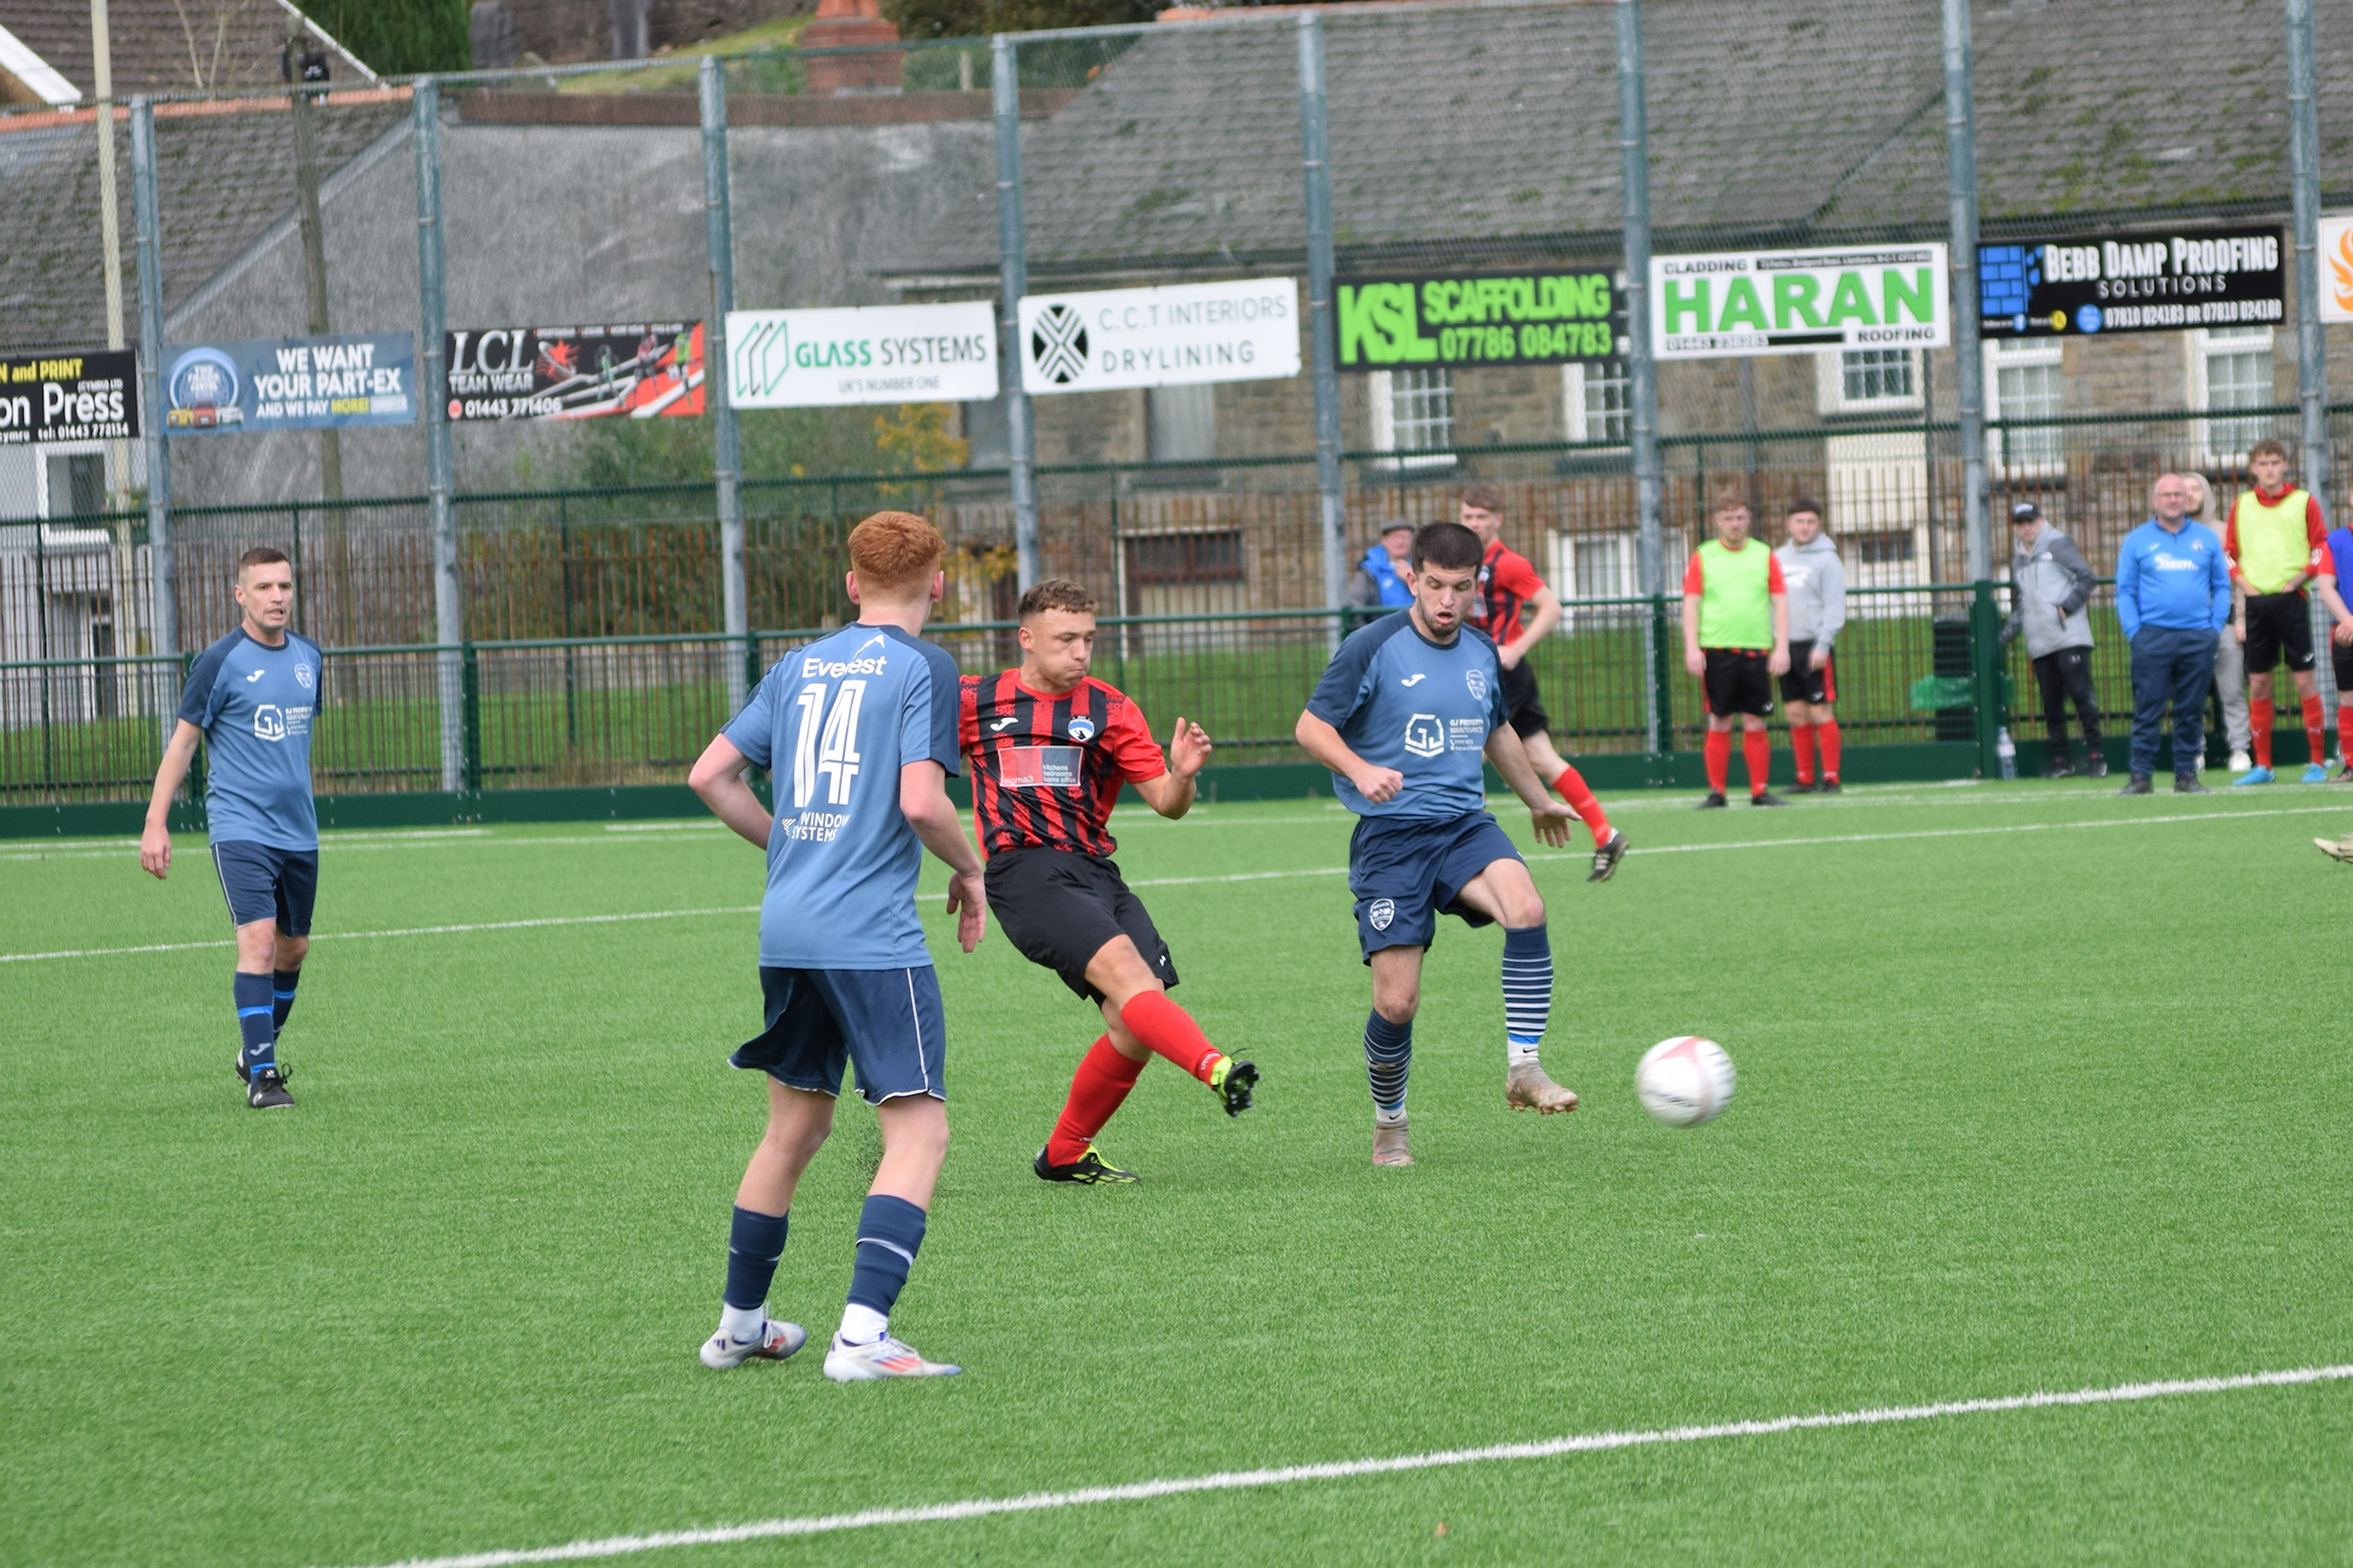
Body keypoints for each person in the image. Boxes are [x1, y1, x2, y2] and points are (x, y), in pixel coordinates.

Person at [684, 510, 988, 1382]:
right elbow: (923, 803)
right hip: (869, 935)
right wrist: (971, 872)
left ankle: (741, 1326)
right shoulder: (925, 665)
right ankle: (862, 1337)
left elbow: (710, 774)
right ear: (938, 585)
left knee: (795, 1126)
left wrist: (789, 842)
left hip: (787, 927)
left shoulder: (798, 664)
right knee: (919, 1128)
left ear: (851, 583)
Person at [1293, 520, 1584, 1168]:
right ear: (1412, 579)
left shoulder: (1482, 652)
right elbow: (1311, 728)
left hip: (1461, 825)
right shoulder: (1372, 646)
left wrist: (1537, 801)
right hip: (1392, 840)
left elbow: (1498, 733)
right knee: (1397, 1002)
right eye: (1434, 585)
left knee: (1527, 909)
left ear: (1476, 584)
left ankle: (1524, 1068)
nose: (1447, 600)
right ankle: (1390, 1120)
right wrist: (1360, 770)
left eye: (1460, 587)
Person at [961, 578, 1256, 1188]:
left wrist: (1184, 774)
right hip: (1025, 871)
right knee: (1129, 979)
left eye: (1088, 639)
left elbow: (1167, 804)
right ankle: (1217, 1068)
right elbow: (910, 769)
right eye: (1065, 639)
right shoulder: (972, 700)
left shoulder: (1110, 709)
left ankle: (1065, 1152)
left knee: (1133, 1024)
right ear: (1026, 639)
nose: (1080, 652)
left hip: (1097, 873)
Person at [139, 547, 322, 1112]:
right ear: (240, 595)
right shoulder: (218, 662)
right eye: (264, 587)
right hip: (239, 826)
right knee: (259, 941)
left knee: (293, 949)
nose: (277, 597)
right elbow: (185, 742)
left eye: (285, 587)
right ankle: (263, 1078)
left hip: (300, 832)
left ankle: (253, 1049)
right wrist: (156, 822)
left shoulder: (310, 658)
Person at [1456, 484, 1627, 880]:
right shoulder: (1463, 560)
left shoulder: (1509, 563)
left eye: (1482, 517)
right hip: (1478, 670)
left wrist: (1515, 647)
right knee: (1542, 759)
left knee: (1465, 754)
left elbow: (1551, 607)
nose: (1474, 523)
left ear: (1498, 520)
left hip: (1502, 675)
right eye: (1468, 516)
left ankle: (1473, 851)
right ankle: (1606, 833)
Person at [2114, 475, 2230, 795]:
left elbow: (2221, 586)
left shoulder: (2206, 539)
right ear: (2155, 500)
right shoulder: (2137, 540)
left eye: (2179, 494)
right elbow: (2124, 591)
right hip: (2152, 637)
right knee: (2148, 710)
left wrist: (2214, 628)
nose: (2174, 500)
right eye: (2167, 495)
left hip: (2197, 637)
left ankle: (2186, 775)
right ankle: (2140, 776)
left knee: (2191, 711)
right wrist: (2134, 632)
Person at [2222, 438, 2329, 784]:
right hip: (2256, 603)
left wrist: (2294, 581)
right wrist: (2247, 586)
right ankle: (2263, 766)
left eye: (2275, 462)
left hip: (2291, 599)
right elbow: (2228, 554)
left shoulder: (2304, 502)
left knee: (2304, 680)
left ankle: (2317, 761)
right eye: (2263, 463)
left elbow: (2319, 548)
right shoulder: (2241, 505)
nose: (2269, 469)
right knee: (2258, 683)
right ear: (2253, 468)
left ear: (2285, 465)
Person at [1682, 491, 1792, 808]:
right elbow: (1691, 605)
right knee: (1720, 720)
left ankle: (1760, 790)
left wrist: (1780, 646)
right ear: (1717, 521)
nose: (1735, 524)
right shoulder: (1703, 556)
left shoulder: (1764, 555)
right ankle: (1717, 792)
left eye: (1740, 517)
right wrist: (1692, 647)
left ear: (1749, 519)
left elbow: (1780, 603)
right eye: (1728, 518)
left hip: (1756, 650)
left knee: (1756, 720)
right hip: (1717, 650)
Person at [2002, 500, 2105, 779]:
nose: (2026, 529)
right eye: (2020, 524)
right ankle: (2062, 760)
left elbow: (2086, 577)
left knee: (2082, 697)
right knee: (2051, 704)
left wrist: (2066, 606)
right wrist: (2008, 635)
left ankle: (2096, 755)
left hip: (2068, 636)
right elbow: (2022, 601)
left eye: (2030, 522)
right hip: (2040, 641)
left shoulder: (2058, 544)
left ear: (2040, 520)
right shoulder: (2018, 559)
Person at [1773, 495, 1847, 792]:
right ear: (1788, 524)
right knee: (1795, 712)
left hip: (1814, 646)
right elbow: (1771, 603)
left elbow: (1834, 606)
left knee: (1820, 711)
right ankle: (1804, 777)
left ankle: (1831, 777)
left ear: (1819, 524)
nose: (1805, 527)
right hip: (1785, 646)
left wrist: (1823, 645)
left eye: (1811, 521)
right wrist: (1776, 643)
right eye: (1799, 521)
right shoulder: (1777, 558)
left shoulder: (1827, 559)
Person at [2183, 473, 2251, 772]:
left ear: (2207, 493)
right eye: (2183, 490)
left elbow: (2239, 578)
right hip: (2185, 628)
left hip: (2224, 624)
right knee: (2189, 692)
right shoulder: (2170, 535)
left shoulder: (2225, 532)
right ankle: (2193, 750)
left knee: (2232, 690)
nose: (2189, 495)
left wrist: (2241, 619)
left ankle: (2240, 749)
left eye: (2196, 488)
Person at [2308, 507, 2353, 779]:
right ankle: (2350, 763)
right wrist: (2348, 621)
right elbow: (2325, 587)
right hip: (2345, 632)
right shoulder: (2335, 540)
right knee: (2348, 698)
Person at [1347, 520, 1417, 610]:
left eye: (1405, 537)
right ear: (1384, 540)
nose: (1400, 541)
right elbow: (1355, 602)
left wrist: (1413, 580)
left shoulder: (1423, 565)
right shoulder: (1369, 569)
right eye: (1395, 537)